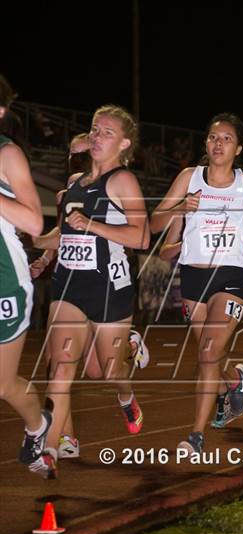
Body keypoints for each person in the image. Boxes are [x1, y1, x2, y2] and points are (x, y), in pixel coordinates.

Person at [151, 112, 243, 454]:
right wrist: (181, 205)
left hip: (231, 276)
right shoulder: (188, 178)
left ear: (239, 148)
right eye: (212, 137)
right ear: (205, 143)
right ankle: (230, 386)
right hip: (193, 278)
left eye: (226, 138)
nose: (218, 143)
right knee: (211, 355)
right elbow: (154, 225)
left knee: (208, 352)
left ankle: (195, 435)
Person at [41, 105, 150, 474]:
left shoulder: (123, 182)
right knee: (60, 366)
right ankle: (52, 449)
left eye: (106, 132)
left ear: (124, 143)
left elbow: (142, 236)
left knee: (104, 371)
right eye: (94, 130)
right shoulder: (73, 183)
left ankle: (126, 390)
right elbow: (64, 233)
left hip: (109, 288)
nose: (97, 137)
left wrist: (92, 225)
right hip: (69, 285)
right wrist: (43, 253)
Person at [159, 213, 243, 429]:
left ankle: (198, 431)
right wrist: (187, 243)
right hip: (194, 286)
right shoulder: (186, 212)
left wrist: (228, 255)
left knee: (209, 353)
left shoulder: (237, 208)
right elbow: (164, 253)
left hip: (227, 282)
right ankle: (232, 382)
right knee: (207, 353)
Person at [0, 74, 54, 478]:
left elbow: (35, 222)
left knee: (3, 386)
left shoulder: (8, 155)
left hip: (4, 280)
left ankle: (38, 426)